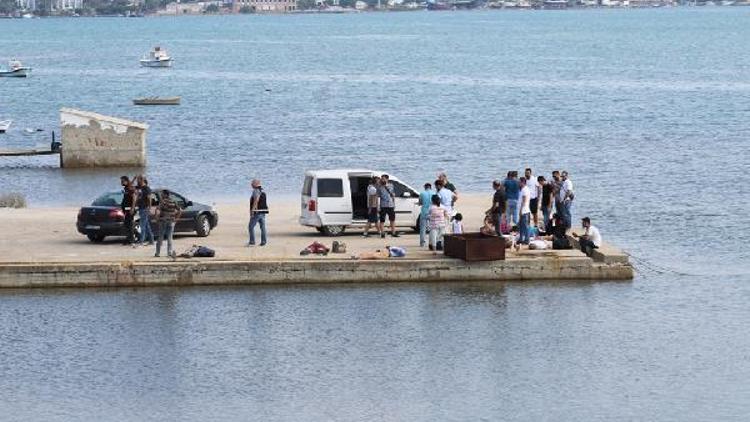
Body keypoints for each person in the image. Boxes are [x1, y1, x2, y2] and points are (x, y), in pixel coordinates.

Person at [155, 189, 181, 258]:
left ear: (165, 194)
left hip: (163, 221)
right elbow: (180, 210)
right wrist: (176, 219)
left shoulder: (162, 202)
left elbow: (157, 210)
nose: (161, 195)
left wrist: (157, 218)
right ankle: (169, 253)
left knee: (160, 236)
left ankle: (157, 253)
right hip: (171, 221)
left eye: (162, 194)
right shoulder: (174, 201)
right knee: (170, 237)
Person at [248, 179, 269, 246]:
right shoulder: (262, 190)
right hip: (263, 211)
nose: (251, 185)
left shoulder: (256, 191)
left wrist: (253, 210)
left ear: (256, 184)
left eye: (252, 183)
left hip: (257, 212)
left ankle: (252, 241)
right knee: (262, 227)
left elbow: (256, 199)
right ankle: (264, 241)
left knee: (250, 226)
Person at [135, 175, 154, 246]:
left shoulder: (147, 189)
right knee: (146, 225)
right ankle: (151, 240)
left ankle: (141, 241)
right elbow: (130, 187)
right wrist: (133, 179)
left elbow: (149, 199)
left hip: (145, 208)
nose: (137, 181)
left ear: (142, 180)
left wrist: (149, 207)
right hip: (140, 208)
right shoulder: (138, 187)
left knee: (142, 225)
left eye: (138, 179)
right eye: (137, 180)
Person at [120, 176, 137, 245]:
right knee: (126, 224)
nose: (121, 182)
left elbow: (134, 198)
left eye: (122, 181)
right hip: (126, 209)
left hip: (129, 209)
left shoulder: (130, 188)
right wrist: (134, 178)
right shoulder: (127, 187)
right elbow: (130, 183)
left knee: (129, 224)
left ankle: (131, 240)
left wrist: (132, 208)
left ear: (126, 181)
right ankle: (128, 238)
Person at [417, 182, 434, 247]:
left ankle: (422, 242)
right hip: (432, 211)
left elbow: (420, 202)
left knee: (422, 228)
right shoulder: (434, 193)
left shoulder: (422, 193)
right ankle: (431, 241)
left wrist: (419, 203)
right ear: (430, 187)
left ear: (425, 187)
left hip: (424, 211)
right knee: (432, 227)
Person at [518, 177, 532, 245]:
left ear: (523, 182)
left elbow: (524, 201)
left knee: (525, 226)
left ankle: (527, 239)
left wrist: (520, 210)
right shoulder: (522, 189)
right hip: (523, 210)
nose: (518, 183)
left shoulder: (525, 190)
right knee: (521, 226)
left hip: (525, 211)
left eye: (519, 182)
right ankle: (521, 239)